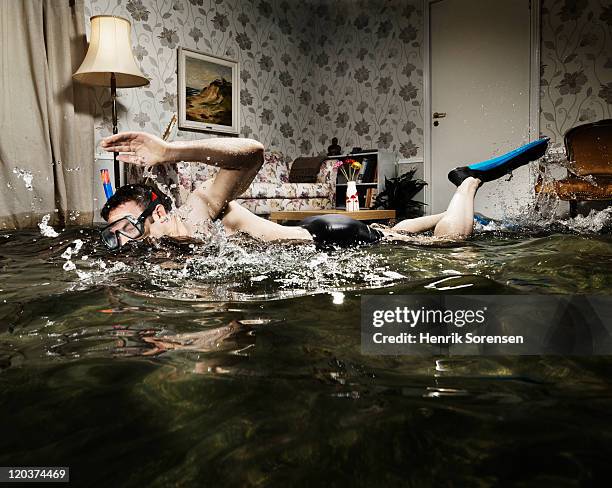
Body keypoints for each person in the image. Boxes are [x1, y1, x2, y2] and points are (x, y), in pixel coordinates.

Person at [99, 131, 548, 251]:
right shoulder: (154, 247)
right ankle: (473, 217)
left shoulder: (195, 211)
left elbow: (252, 153)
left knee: (450, 245)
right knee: (401, 235)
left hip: (329, 239)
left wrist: (172, 151)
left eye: (123, 229)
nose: (120, 242)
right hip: (322, 236)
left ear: (155, 215)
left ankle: (468, 180)